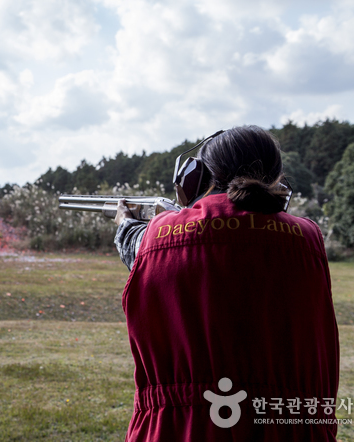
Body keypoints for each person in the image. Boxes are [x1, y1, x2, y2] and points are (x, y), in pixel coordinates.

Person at [113, 126, 339, 441]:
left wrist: (125, 221)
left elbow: (136, 248)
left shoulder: (158, 235)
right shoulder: (308, 238)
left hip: (182, 428)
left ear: (193, 177)